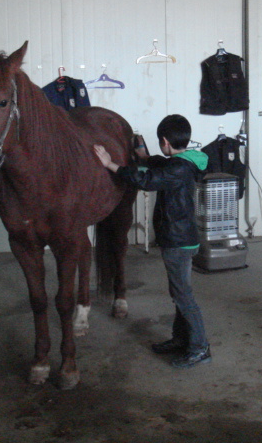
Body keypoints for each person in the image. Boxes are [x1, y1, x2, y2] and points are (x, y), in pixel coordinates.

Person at [93, 114, 211, 368]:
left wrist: (110, 164)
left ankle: (200, 347)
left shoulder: (178, 169)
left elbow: (147, 180)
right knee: (178, 293)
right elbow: (161, 165)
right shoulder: (184, 162)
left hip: (178, 242)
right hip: (180, 238)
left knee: (183, 296)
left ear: (164, 141)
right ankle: (181, 339)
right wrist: (145, 157)